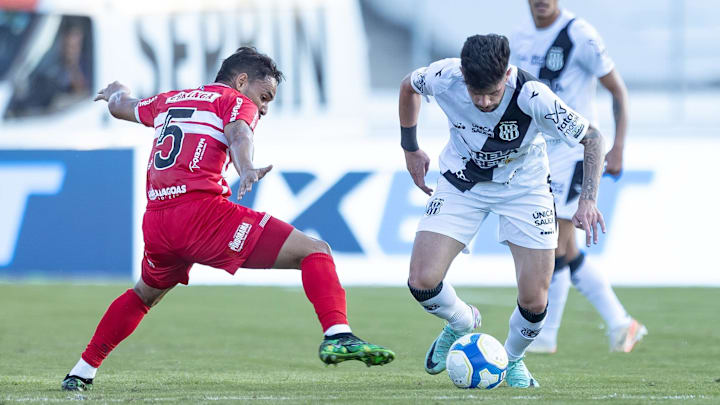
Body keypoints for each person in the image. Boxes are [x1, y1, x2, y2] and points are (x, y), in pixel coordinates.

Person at [61, 47, 394, 392]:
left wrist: (117, 89)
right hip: (202, 216)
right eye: (264, 96)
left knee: (144, 295)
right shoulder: (235, 101)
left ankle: (82, 371)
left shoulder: (170, 100)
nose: (263, 108)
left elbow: (121, 107)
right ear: (241, 80)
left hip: (158, 221)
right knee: (315, 251)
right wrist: (246, 166)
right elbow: (239, 134)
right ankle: (338, 334)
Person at [398, 34, 606, 388]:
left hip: (524, 189)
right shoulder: (444, 75)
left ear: (507, 74)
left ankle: (511, 359)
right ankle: (462, 322)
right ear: (463, 73)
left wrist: (588, 199)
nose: (482, 101)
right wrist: (410, 148)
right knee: (421, 281)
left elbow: (594, 137)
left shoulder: (534, 96)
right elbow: (407, 87)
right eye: (475, 91)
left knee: (535, 299)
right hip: (462, 181)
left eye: (492, 93)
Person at [510, 0, 647, 354]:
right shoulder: (521, 37)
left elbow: (617, 89)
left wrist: (617, 147)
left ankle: (545, 336)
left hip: (577, 149)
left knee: (554, 244)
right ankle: (621, 322)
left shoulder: (580, 35)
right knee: (566, 250)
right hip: (540, 154)